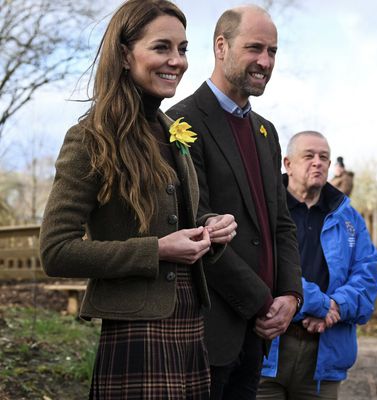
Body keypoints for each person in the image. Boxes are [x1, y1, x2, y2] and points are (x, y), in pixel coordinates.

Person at [39, 1, 237, 399]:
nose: (177, 61)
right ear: (125, 54)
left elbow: (177, 218)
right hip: (136, 331)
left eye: (183, 49)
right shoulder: (91, 138)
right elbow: (56, 251)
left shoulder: (173, 131)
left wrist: (210, 227)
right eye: (162, 47)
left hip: (189, 320)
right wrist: (157, 251)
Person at [167, 5, 303, 399]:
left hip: (257, 337)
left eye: (272, 51)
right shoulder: (181, 123)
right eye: (255, 48)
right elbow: (193, 227)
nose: (265, 61)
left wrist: (290, 297)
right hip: (210, 332)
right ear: (221, 46)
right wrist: (263, 303)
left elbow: (281, 224)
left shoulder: (267, 131)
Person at [260, 131, 377, 399]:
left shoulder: (349, 218)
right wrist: (320, 304)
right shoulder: (264, 209)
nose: (318, 162)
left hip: (325, 356)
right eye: (309, 156)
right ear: (288, 164)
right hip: (266, 352)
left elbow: (367, 277)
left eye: (324, 157)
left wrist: (335, 305)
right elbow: (265, 269)